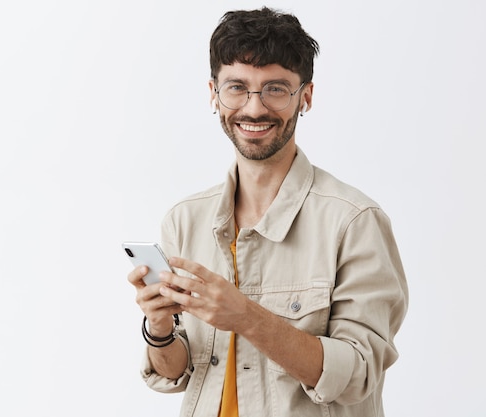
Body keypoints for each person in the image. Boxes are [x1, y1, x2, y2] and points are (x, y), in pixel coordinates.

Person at [127, 7, 409, 417]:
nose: (254, 108)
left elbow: (357, 376)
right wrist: (159, 328)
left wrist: (246, 316)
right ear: (213, 93)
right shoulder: (184, 220)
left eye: (275, 89)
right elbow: (179, 374)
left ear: (305, 97)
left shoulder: (354, 221)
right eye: (237, 87)